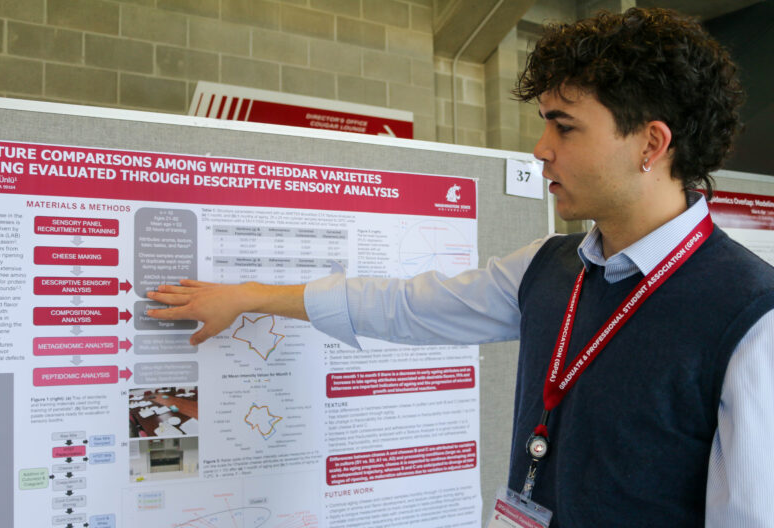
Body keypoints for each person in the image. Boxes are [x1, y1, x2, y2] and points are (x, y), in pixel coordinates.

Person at [147, 7, 774, 527]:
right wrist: (251, 294)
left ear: (651, 144)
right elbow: (404, 306)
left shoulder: (749, 313)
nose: (541, 149)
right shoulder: (548, 269)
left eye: (565, 127)